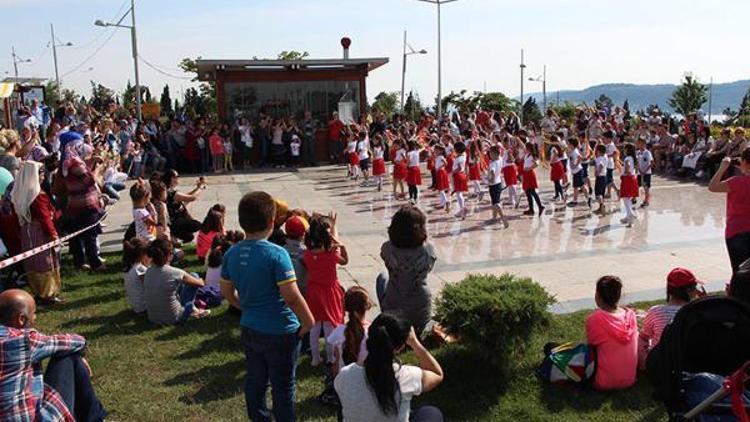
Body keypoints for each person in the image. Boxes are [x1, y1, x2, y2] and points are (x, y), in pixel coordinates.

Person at [220, 191, 315, 421]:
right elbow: (291, 296)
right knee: (283, 386)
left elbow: (226, 292)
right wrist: (308, 321)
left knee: (256, 380)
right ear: (273, 222)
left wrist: (245, 307)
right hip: (281, 331)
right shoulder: (277, 254)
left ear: (242, 222)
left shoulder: (231, 253)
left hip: (250, 327)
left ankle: (260, 418)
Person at [0, 289, 107, 421]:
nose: (35, 318)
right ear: (21, 319)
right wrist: (80, 352)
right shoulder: (24, 340)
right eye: (34, 313)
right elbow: (75, 341)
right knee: (68, 356)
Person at [334, 313, 444, 422]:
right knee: (431, 413)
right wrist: (415, 343)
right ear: (400, 347)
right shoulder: (408, 375)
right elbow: (437, 374)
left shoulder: (344, 375)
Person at [377, 206, 437, 335]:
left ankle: (386, 315)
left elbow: (384, 256)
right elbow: (429, 268)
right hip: (421, 310)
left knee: (382, 278)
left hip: (394, 308)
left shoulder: (387, 248)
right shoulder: (428, 250)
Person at [11, 161, 63, 305]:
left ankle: (39, 291)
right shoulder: (37, 195)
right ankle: (48, 294)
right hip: (40, 233)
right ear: (33, 175)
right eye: (40, 173)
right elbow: (45, 218)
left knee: (33, 262)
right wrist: (53, 234)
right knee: (45, 262)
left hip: (27, 232)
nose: (43, 176)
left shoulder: (20, 192)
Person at [303, 214, 348, 367]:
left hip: (313, 291)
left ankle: (315, 358)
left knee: (315, 326)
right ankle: (330, 357)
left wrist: (332, 228)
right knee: (329, 325)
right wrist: (341, 245)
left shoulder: (307, 254)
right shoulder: (332, 255)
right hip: (329, 292)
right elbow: (345, 261)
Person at [637, 268, 704, 369]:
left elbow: (644, 337)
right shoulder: (697, 313)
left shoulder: (656, 312)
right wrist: (703, 300)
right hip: (688, 362)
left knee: (640, 338)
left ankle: (643, 365)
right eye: (695, 287)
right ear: (689, 290)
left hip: (662, 362)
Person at [585, 275, 638, 391]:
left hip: (603, 382)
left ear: (597, 296)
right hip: (630, 379)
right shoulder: (630, 315)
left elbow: (591, 348)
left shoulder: (594, 319)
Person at [143, 238, 210, 324]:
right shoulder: (174, 272)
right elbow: (200, 284)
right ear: (169, 255)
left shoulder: (148, 271)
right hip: (175, 318)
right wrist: (200, 279)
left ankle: (191, 308)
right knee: (194, 276)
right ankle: (192, 309)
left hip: (153, 318)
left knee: (180, 283)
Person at [708, 149, 750, 272]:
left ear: (745, 162)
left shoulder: (735, 182)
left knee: (739, 271)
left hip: (736, 231)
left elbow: (712, 186)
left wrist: (723, 167)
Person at [162, 170, 204, 243]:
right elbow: (192, 198)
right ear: (172, 179)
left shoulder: (167, 190)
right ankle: (174, 235)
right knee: (197, 225)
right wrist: (200, 188)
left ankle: (175, 238)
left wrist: (196, 188)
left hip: (172, 221)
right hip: (174, 222)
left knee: (190, 237)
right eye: (177, 176)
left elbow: (185, 197)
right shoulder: (172, 193)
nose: (178, 178)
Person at [122, 237, 150, 315]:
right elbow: (150, 286)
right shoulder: (140, 269)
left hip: (137, 306)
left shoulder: (128, 267)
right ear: (142, 254)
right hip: (144, 306)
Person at [486, 145, 509, 227]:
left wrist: (488, 179)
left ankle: (503, 218)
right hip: (498, 183)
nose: (490, 155)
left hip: (494, 184)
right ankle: (494, 218)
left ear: (495, 154)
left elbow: (492, 173)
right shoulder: (500, 159)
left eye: (491, 153)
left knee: (496, 203)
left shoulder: (493, 164)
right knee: (494, 202)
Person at [522, 142, 545, 216]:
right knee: (528, 192)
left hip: (529, 174)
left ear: (529, 149)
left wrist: (529, 168)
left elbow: (537, 163)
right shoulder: (526, 155)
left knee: (532, 191)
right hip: (526, 174)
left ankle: (540, 206)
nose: (525, 149)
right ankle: (531, 209)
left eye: (526, 148)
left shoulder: (532, 156)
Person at [619, 143, 640, 226]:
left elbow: (627, 165)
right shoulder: (633, 158)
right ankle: (628, 215)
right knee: (628, 198)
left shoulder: (627, 158)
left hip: (627, 178)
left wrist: (627, 171)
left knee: (625, 198)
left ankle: (630, 215)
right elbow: (636, 167)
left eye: (625, 149)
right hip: (632, 178)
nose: (624, 150)